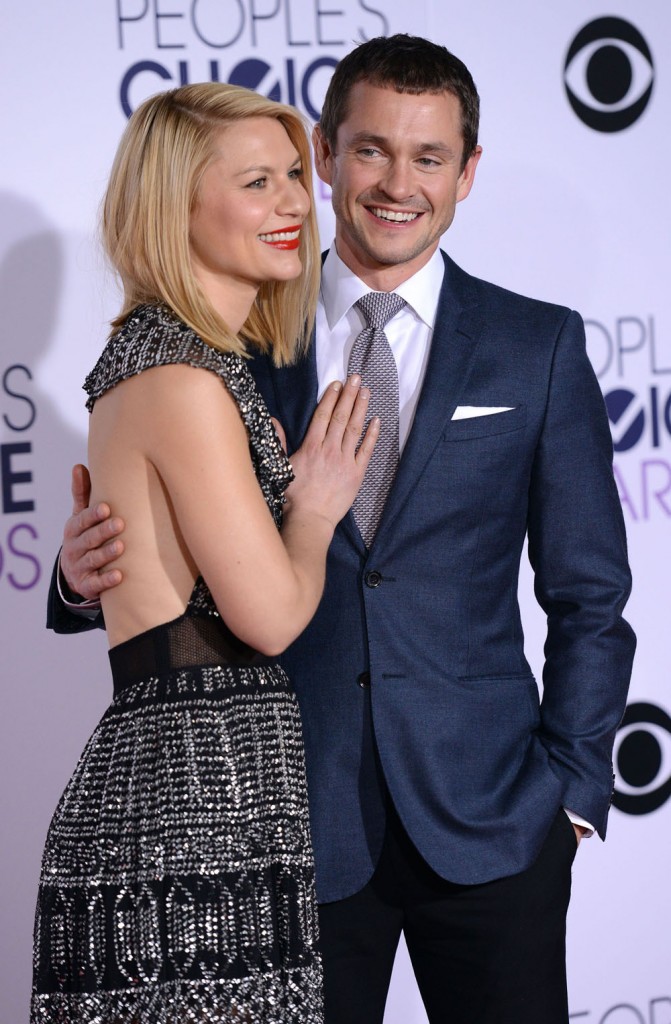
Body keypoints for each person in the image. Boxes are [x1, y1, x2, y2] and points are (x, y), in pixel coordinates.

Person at [49, 34, 636, 1024]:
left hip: (492, 823)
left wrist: (568, 796)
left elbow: (591, 594)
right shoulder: (225, 343)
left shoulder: (535, 345)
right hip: (283, 831)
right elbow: (161, 554)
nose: (395, 182)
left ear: (467, 172)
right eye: (369, 149)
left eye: (428, 157)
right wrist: (76, 578)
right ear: (326, 153)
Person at [32, 82, 381, 1024]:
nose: (293, 205)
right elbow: (264, 615)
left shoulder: (191, 363)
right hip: (193, 804)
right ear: (174, 205)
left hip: (214, 785)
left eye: (292, 179)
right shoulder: (182, 376)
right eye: (256, 182)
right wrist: (312, 508)